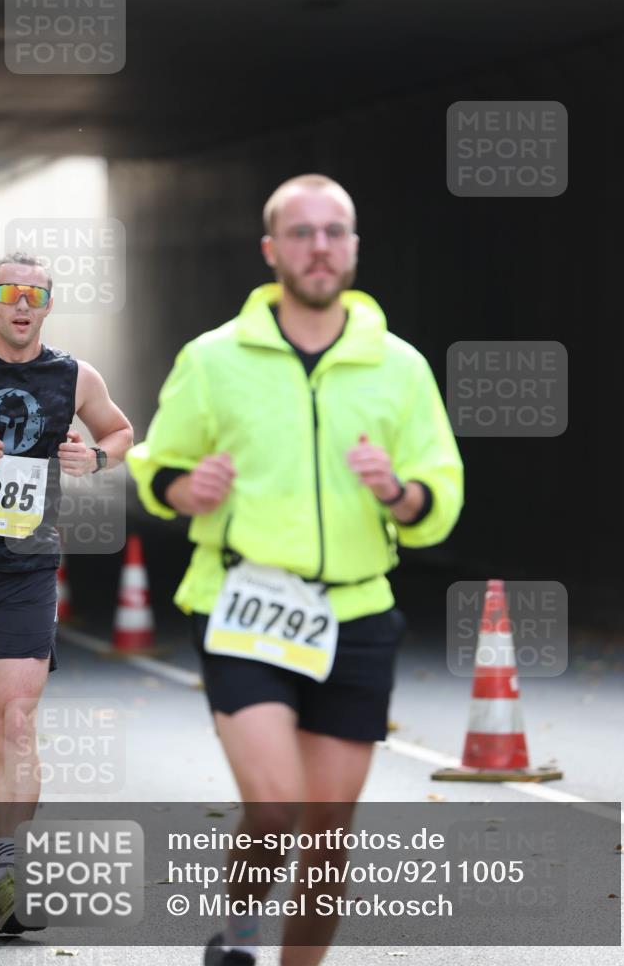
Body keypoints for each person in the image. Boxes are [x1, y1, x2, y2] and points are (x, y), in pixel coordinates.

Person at [127, 174, 463, 966]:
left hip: (356, 616)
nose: (320, 247)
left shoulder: (399, 366)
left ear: (353, 246)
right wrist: (182, 485)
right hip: (244, 606)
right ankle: (240, 934)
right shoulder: (212, 360)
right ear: (272, 249)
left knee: (326, 836)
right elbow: (154, 465)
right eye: (303, 232)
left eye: (335, 231)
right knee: (277, 810)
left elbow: (438, 491)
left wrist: (398, 490)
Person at [0, 251, 133, 935]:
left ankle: (11, 881)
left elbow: (122, 431)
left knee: (15, 725)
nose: (23, 304)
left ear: (46, 305)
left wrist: (95, 458)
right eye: (10, 291)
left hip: (24, 571)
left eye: (36, 295)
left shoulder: (74, 376)